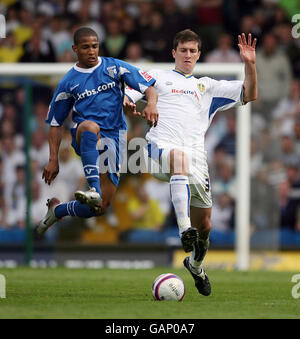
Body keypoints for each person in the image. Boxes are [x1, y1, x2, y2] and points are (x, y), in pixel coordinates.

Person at [124, 29, 257, 296]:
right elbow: (129, 92)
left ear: (199, 55)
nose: (187, 55)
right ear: (174, 53)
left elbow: (250, 93)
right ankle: (184, 229)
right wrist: (128, 103)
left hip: (196, 162)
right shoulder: (157, 76)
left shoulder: (207, 86)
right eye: (183, 50)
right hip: (158, 150)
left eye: (192, 51)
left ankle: (195, 265)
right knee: (178, 159)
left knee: (205, 226)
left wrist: (250, 64)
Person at [37, 27, 158, 237]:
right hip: (85, 135)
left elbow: (149, 87)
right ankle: (93, 188)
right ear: (75, 49)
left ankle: (58, 210)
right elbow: (55, 122)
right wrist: (53, 159)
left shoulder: (114, 67)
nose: (92, 51)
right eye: (86, 47)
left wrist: (151, 105)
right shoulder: (68, 82)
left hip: (114, 139)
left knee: (100, 207)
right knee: (90, 126)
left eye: (94, 46)